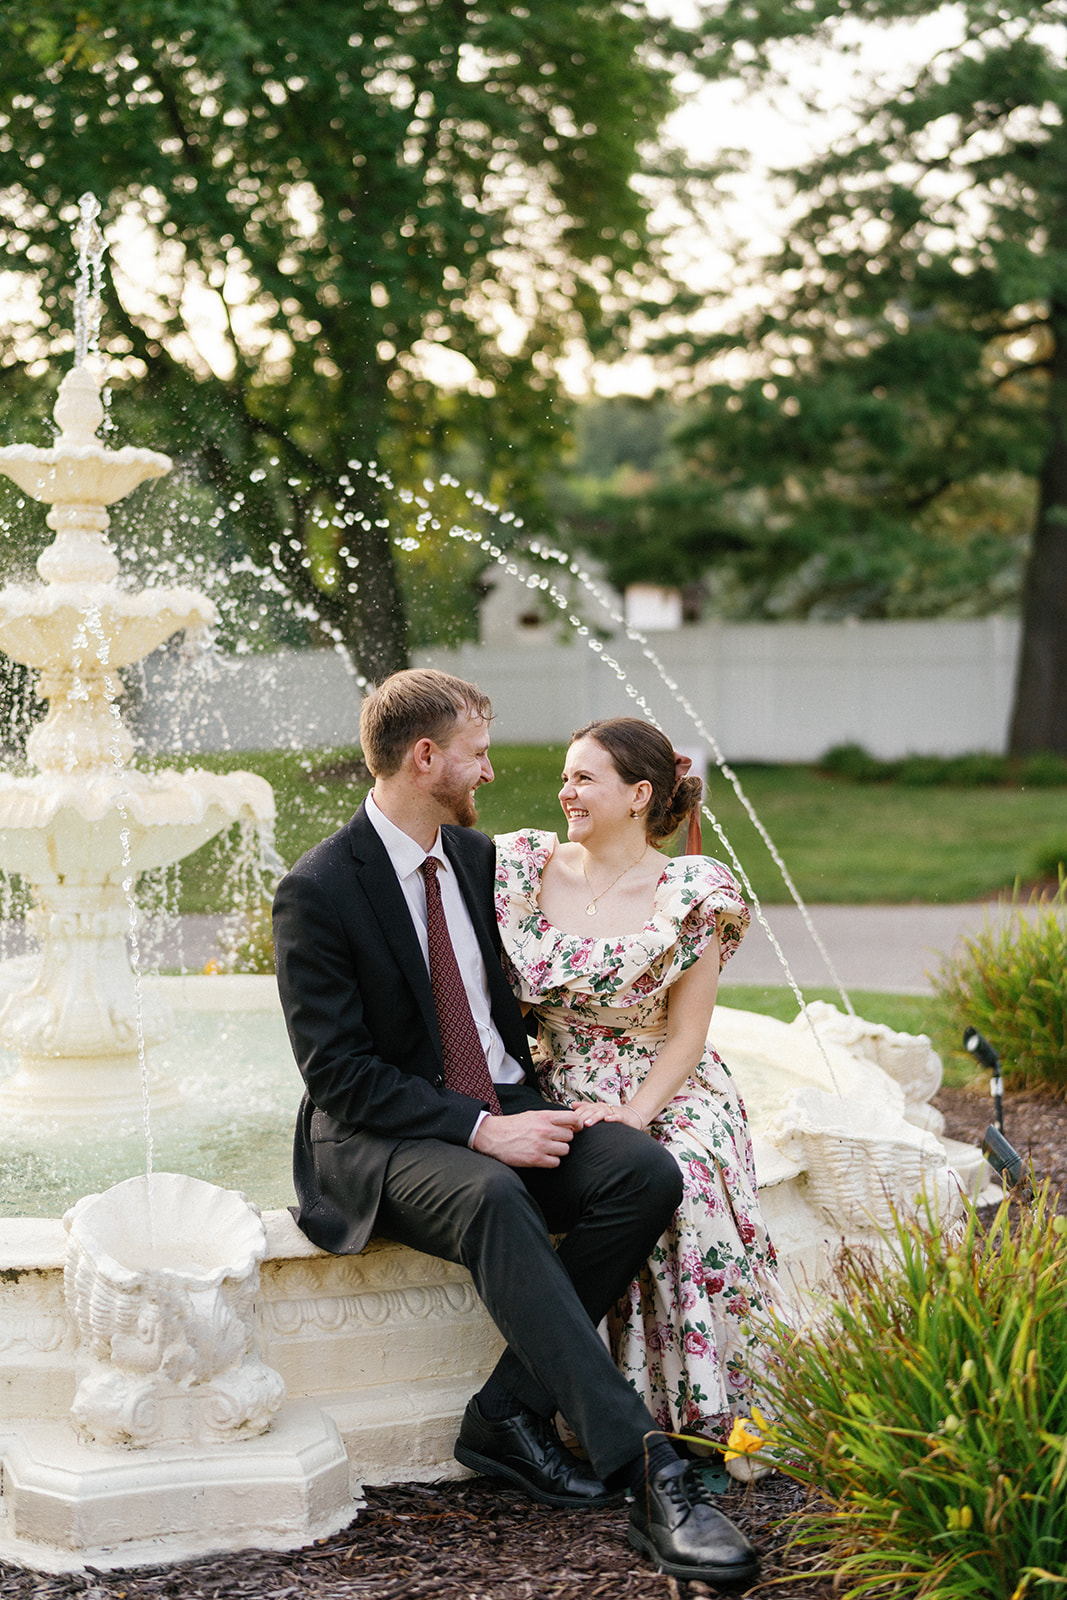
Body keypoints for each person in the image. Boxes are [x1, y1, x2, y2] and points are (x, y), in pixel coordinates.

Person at [272, 670, 760, 1589]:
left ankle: (504, 1413)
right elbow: (336, 1074)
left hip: (510, 1101)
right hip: (383, 1137)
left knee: (643, 1174)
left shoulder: (483, 863)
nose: (491, 772)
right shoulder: (319, 889)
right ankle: (649, 1475)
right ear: (427, 759)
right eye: (477, 754)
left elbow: (587, 913)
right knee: (496, 1192)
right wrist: (476, 1129)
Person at [494, 717, 783, 1461]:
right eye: (565, 775)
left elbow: (687, 1035)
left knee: (678, 1175)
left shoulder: (689, 892)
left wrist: (631, 1115)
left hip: (663, 1082)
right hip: (556, 1080)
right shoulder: (521, 869)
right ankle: (605, 1410)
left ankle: (701, 1416)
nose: (566, 790)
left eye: (584, 778)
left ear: (638, 794)